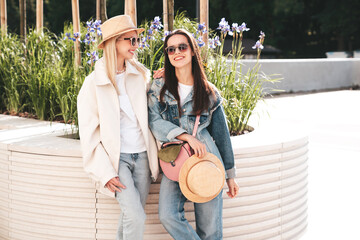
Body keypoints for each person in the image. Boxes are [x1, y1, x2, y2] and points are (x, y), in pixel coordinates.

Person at [147, 29, 239, 240]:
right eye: (171, 49)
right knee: (168, 215)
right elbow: (154, 121)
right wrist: (185, 136)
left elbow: (222, 135)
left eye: (182, 47)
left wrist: (230, 175)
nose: (176, 52)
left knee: (210, 230)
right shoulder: (159, 86)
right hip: (176, 160)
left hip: (206, 158)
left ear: (192, 51)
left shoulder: (208, 92)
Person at [77, 15, 159, 240]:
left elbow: (152, 112)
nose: (136, 45)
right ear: (114, 43)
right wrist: (104, 172)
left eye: (136, 40)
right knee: (136, 217)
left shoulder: (141, 75)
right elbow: (89, 134)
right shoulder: (93, 84)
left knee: (130, 218)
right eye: (130, 40)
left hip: (142, 156)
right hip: (117, 160)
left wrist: (162, 80)